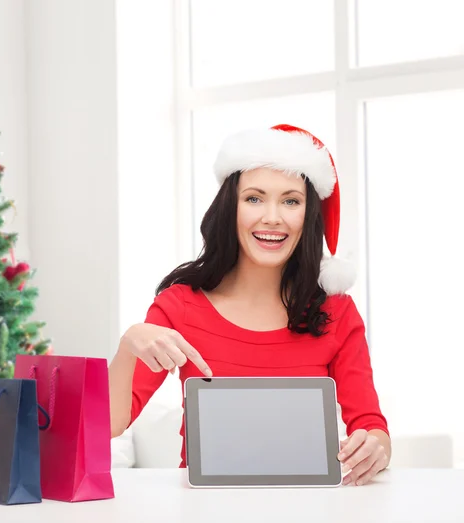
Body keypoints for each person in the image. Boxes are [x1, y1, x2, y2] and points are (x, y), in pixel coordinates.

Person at [109, 124, 391, 486]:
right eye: (254, 198)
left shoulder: (337, 312)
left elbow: (371, 426)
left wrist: (374, 449)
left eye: (291, 201)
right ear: (231, 207)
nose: (272, 217)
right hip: (203, 510)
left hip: (308, 508)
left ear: (309, 216)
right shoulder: (178, 306)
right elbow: (108, 427)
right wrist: (128, 344)